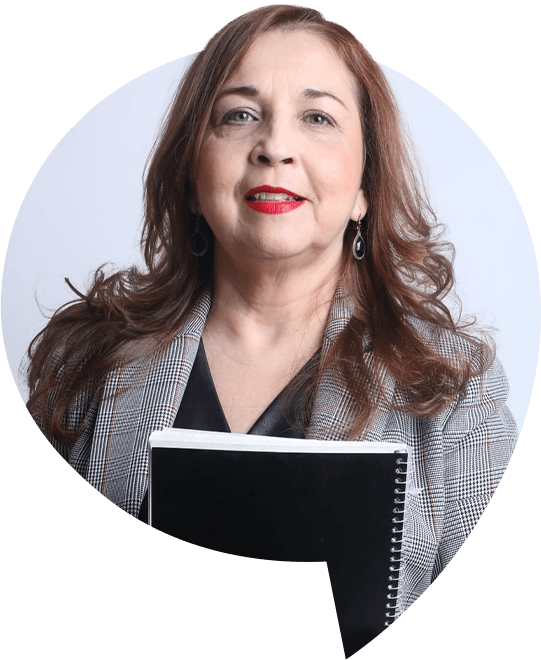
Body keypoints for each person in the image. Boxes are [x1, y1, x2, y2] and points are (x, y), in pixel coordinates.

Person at [26, 4, 517, 616]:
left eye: (317, 117)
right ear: (191, 176)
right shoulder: (87, 362)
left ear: (365, 188)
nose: (275, 147)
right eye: (239, 115)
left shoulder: (456, 388)